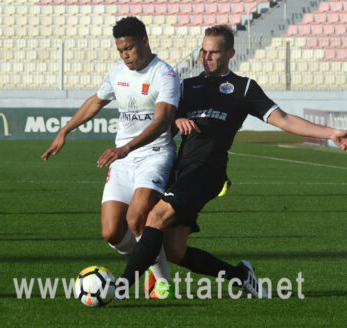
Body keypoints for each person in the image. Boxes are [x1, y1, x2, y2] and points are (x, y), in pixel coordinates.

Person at [116, 24, 347, 299]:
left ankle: (118, 288)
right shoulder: (186, 86)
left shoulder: (244, 87)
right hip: (181, 169)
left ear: (230, 53)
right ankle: (240, 276)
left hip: (208, 169)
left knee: (156, 217)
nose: (207, 57)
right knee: (176, 251)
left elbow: (283, 119)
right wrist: (175, 118)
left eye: (214, 52)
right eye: (203, 51)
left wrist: (331, 132)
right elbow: (162, 121)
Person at [41, 17, 180, 298]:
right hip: (123, 159)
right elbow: (96, 101)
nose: (125, 55)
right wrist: (65, 129)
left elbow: (163, 120)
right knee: (112, 233)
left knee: (137, 217)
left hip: (154, 155)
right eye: (120, 50)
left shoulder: (164, 75)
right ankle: (151, 252)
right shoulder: (117, 72)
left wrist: (126, 148)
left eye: (129, 48)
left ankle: (161, 281)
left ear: (144, 41)